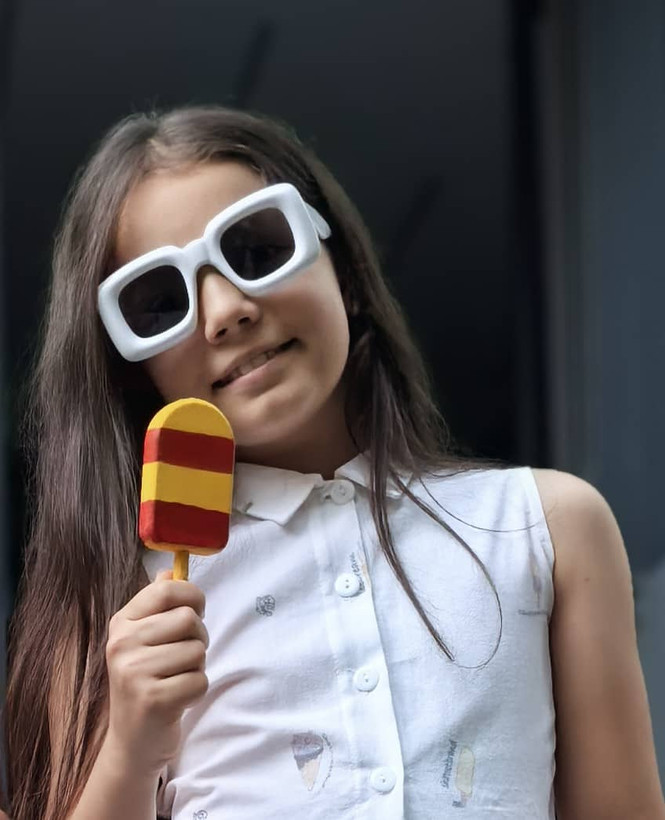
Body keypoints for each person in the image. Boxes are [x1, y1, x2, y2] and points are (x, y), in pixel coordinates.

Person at [3, 105, 664, 820]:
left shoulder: (549, 526)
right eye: (161, 301)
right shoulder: (120, 596)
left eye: (256, 250)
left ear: (343, 270)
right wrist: (129, 751)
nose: (225, 310)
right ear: (134, 369)